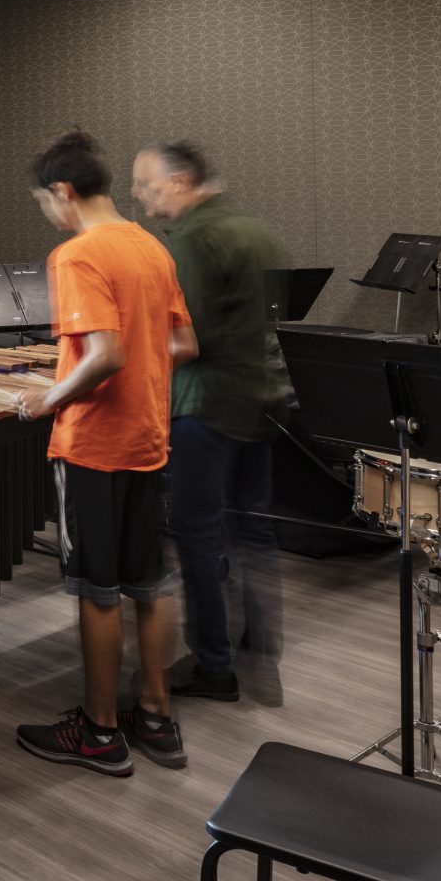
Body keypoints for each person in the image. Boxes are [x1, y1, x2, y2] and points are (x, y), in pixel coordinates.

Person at [15, 129, 194, 778]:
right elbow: (182, 343)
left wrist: (47, 397)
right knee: (149, 580)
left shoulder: (78, 253)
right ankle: (154, 714)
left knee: (98, 588)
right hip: (148, 438)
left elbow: (105, 355)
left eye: (46, 204)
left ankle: (98, 730)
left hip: (94, 444)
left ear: (64, 192)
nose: (51, 215)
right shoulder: (151, 247)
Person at [131, 142, 287, 706]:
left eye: (147, 188)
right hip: (257, 399)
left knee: (196, 534)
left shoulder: (194, 237)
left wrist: (121, 368)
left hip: (204, 407)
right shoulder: (250, 229)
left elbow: (184, 339)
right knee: (253, 532)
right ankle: (261, 652)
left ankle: (214, 667)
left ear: (178, 181)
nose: (143, 202)